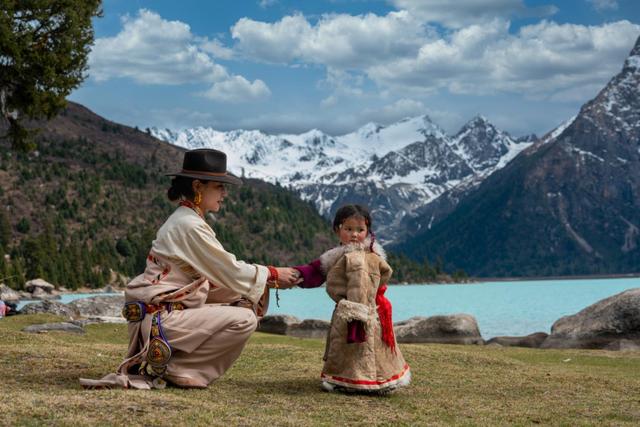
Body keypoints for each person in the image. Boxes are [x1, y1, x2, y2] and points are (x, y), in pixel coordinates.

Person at [80, 148, 301, 390]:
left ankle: (174, 363)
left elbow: (222, 276)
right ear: (198, 186)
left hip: (160, 313)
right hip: (160, 318)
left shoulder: (187, 219)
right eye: (219, 186)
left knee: (243, 296)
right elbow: (229, 269)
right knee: (245, 319)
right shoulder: (188, 225)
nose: (224, 194)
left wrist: (263, 282)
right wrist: (272, 274)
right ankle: (179, 368)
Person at [294, 204, 411, 394]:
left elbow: (373, 280)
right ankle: (371, 380)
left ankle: (359, 381)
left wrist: (359, 307)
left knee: (363, 346)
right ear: (337, 229)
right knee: (358, 347)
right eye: (348, 229)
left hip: (360, 310)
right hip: (359, 310)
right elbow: (315, 271)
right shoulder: (340, 255)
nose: (354, 234)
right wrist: (295, 274)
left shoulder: (363, 258)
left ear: (367, 230)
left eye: (360, 230)